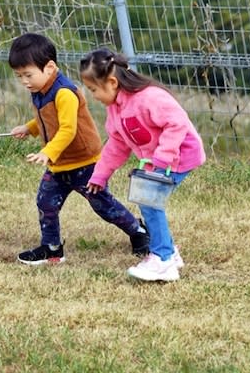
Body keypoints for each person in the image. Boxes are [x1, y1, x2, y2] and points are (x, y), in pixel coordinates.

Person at [8, 33, 149, 265]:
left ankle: (138, 231)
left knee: (102, 204)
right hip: (59, 165)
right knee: (45, 203)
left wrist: (47, 152)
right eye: (19, 76)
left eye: (28, 74)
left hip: (85, 163)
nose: (24, 81)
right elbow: (47, 120)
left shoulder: (65, 93)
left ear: (50, 67)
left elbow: (67, 129)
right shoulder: (39, 92)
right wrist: (29, 128)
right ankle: (52, 249)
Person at [80, 48, 205, 282]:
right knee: (147, 200)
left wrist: (163, 159)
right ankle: (168, 252)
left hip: (180, 155)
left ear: (112, 82)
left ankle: (163, 260)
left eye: (94, 89)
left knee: (149, 201)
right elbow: (116, 144)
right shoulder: (115, 109)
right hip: (157, 161)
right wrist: (100, 175)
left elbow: (176, 123)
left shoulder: (149, 97)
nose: (93, 96)